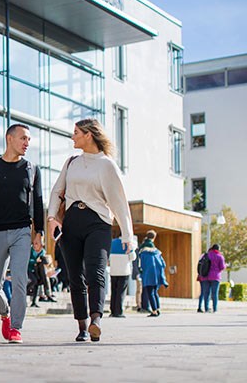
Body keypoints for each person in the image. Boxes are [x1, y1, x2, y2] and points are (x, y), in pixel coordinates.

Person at [47, 118, 133, 343]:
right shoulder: (71, 162)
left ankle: (96, 320)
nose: (72, 136)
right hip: (72, 224)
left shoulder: (106, 164)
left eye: (76, 132)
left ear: (89, 135)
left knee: (96, 272)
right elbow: (57, 191)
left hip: (98, 224)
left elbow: (119, 202)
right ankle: (82, 326)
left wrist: (127, 235)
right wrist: (51, 218)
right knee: (75, 276)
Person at [0, 123, 44, 344]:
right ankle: (5, 314)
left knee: (20, 280)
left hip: (22, 231)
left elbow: (39, 202)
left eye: (29, 140)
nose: (27, 143)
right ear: (9, 139)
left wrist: (39, 232)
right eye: (23, 138)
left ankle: (16, 327)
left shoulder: (32, 170)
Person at [139, 231, 168, 317]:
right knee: (155, 292)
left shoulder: (142, 252)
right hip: (157, 274)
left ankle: (154, 310)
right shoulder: (157, 252)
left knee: (150, 292)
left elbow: (140, 265)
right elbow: (163, 264)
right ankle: (158, 309)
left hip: (148, 274)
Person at [109, 236, 133, 318]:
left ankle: (112, 311)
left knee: (114, 291)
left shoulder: (112, 242)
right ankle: (118, 312)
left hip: (113, 270)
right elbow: (133, 257)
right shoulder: (128, 243)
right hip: (124, 270)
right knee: (121, 291)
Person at [204, 244, 226, 312]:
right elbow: (222, 267)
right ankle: (215, 309)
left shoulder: (207, 255)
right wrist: (226, 265)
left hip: (206, 276)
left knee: (206, 293)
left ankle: (206, 308)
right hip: (216, 276)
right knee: (214, 293)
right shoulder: (220, 256)